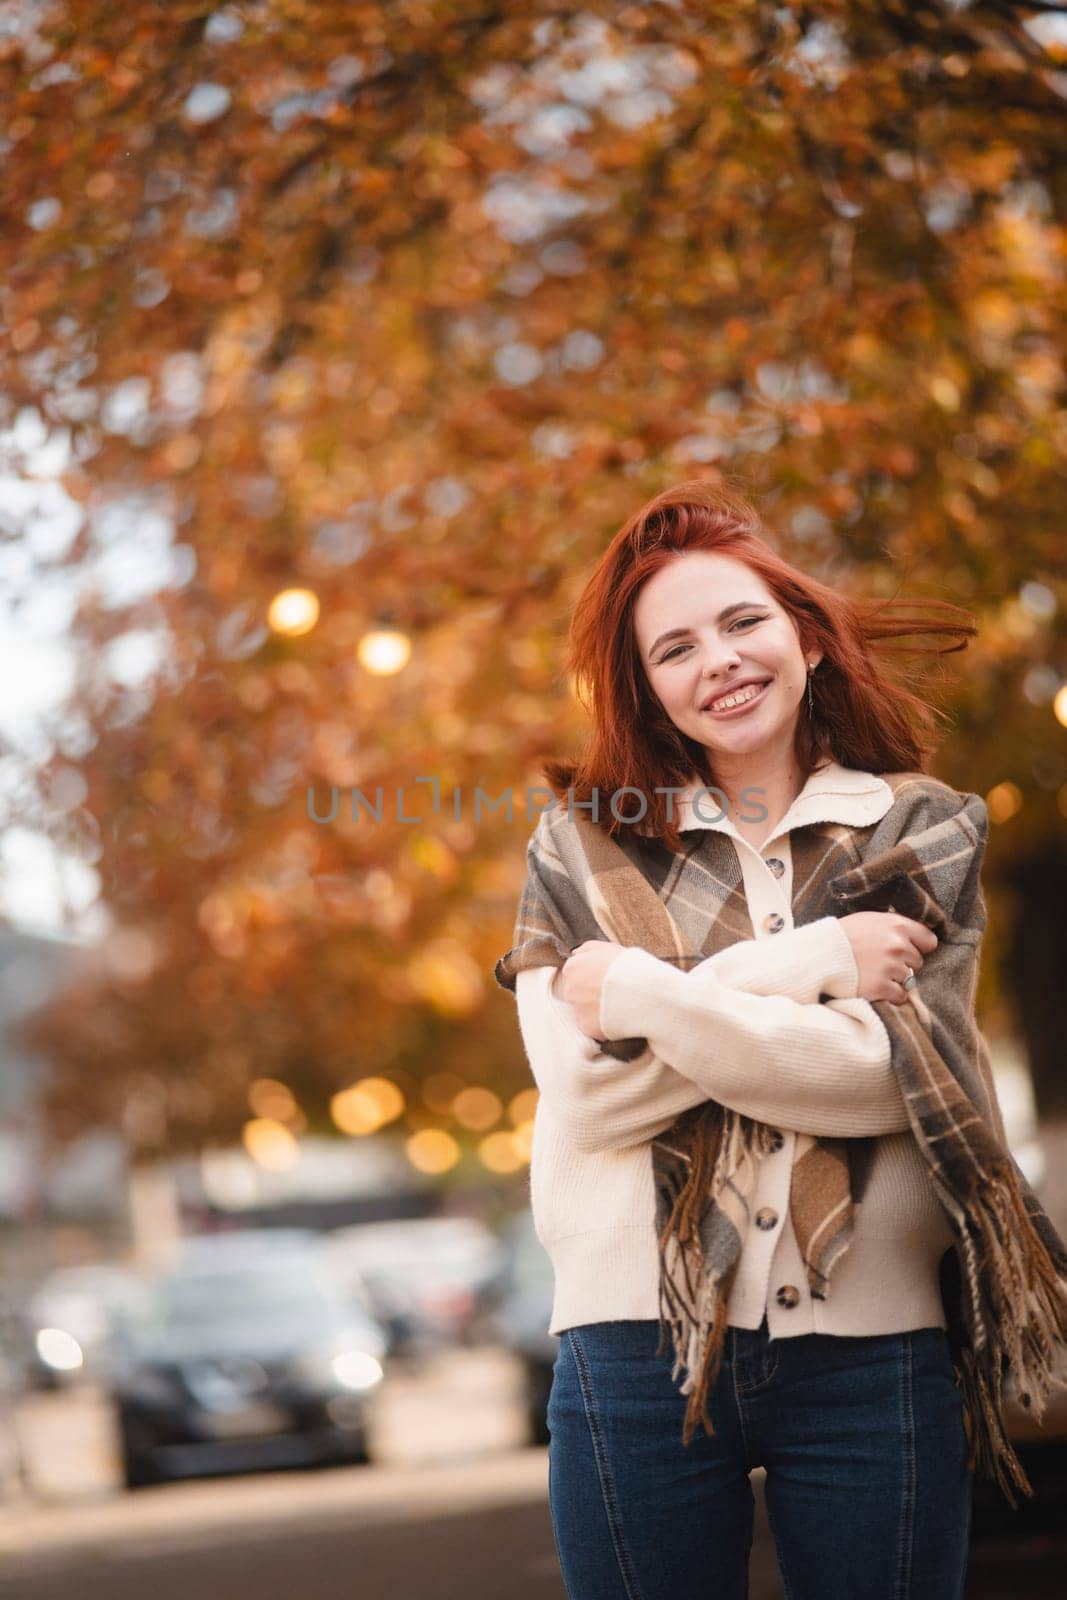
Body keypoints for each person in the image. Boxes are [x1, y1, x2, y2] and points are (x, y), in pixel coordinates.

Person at [493, 482, 1067, 1600]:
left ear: (803, 634)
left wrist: (640, 993)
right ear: (646, 689)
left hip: (871, 1348)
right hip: (632, 1346)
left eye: (741, 622)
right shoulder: (576, 850)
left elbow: (885, 1079)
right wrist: (811, 963)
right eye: (673, 648)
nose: (717, 659)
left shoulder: (917, 823)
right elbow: (588, 1097)